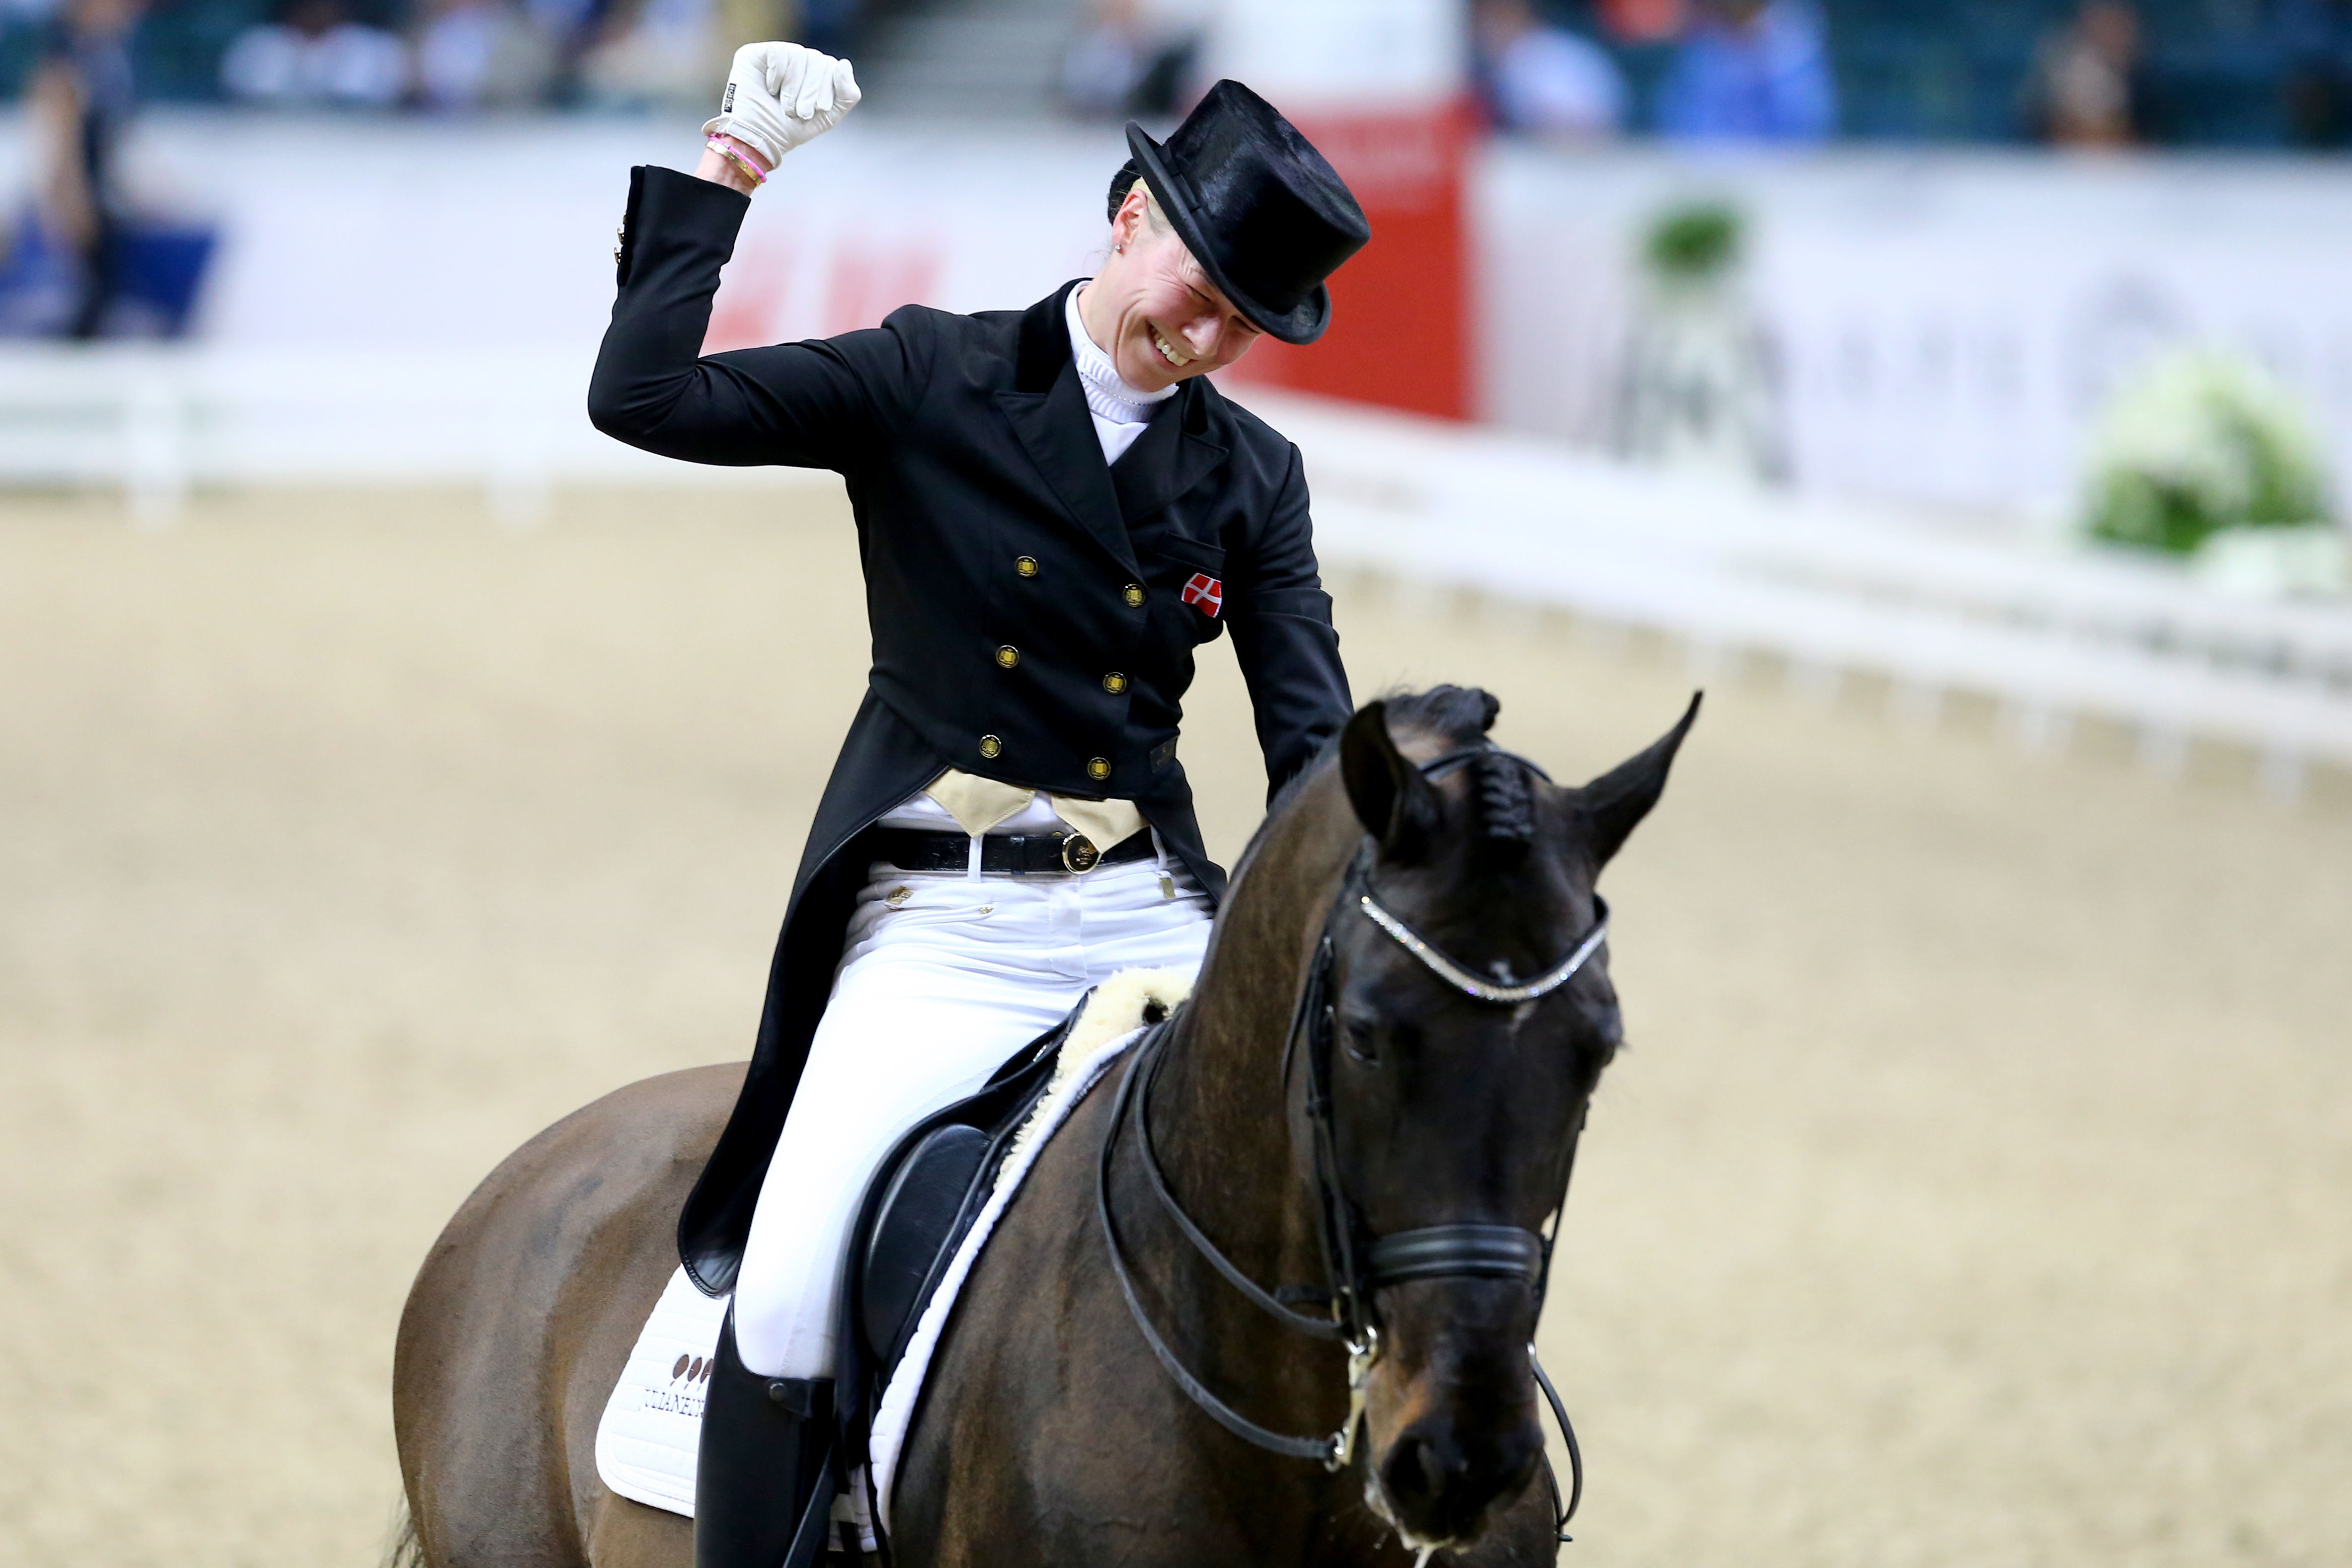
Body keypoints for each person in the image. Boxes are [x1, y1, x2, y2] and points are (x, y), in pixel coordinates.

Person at [587, 50, 1369, 1568]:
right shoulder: (930, 376)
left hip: (1146, 911)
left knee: (1343, 1208)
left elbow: (1311, 739)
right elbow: (645, 397)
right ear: (1132, 215)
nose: (1202, 336)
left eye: (1241, 324)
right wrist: (734, 169)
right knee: (798, 1276)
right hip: (943, 915)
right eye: (1196, 286)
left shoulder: (1252, 478)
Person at [26, 0, 141, 338]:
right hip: (79, 191)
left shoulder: (109, 59)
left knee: (101, 294)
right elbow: (61, 143)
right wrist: (71, 200)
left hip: (101, 188)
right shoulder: (66, 62)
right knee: (82, 296)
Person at [1654, 0, 1835, 143]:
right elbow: (1685, 121)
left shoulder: (1795, 48)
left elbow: (1805, 126)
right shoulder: (1703, 48)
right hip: (1710, 164)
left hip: (1782, 171)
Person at [1473, 0, 1630, 141]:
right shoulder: (1501, 61)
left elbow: (1579, 127)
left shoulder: (1543, 54)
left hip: (1593, 154)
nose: (1489, 29)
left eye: (1501, 17)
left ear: (1522, 15)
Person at [2023, 0, 2142, 148]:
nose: (2123, 34)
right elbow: (2083, 134)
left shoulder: (2129, 74)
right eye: (2112, 25)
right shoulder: (2075, 67)